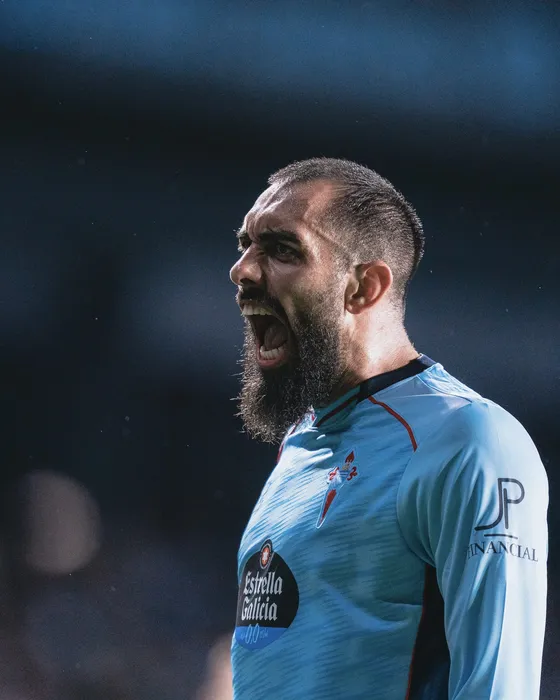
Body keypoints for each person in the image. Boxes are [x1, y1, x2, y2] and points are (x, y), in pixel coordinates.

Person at [228, 158, 548, 699]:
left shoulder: (469, 441)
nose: (242, 271)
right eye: (245, 245)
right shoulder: (298, 447)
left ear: (364, 287)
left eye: (282, 249)